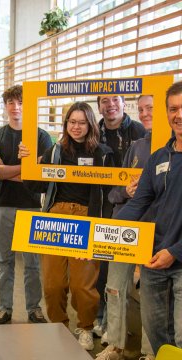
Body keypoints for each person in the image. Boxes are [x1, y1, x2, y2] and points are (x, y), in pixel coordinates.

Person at [19, 102, 114, 351]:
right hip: (55, 217)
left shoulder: (103, 153)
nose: (76, 127)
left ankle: (84, 326)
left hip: (86, 218)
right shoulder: (55, 151)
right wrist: (29, 164)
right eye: (72, 122)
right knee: (52, 284)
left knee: (82, 285)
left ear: (90, 124)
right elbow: (37, 186)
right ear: (66, 124)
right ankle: (58, 326)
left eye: (82, 122)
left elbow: (111, 191)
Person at [115, 81, 182, 354]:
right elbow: (137, 204)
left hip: (179, 260)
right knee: (158, 339)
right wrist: (93, 240)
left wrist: (175, 251)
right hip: (152, 260)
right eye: (173, 109)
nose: (179, 115)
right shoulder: (158, 158)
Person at [96, 95, 155, 360]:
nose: (144, 114)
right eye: (141, 109)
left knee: (152, 295)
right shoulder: (138, 147)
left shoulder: (170, 150)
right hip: (124, 225)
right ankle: (116, 345)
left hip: (156, 230)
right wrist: (127, 191)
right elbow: (114, 190)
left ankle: (149, 351)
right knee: (115, 287)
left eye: (150, 108)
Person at [0, 85, 52, 325]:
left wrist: (8, 171)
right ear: (6, 106)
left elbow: (40, 174)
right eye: (11, 103)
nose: (16, 108)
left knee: (32, 263)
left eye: (21, 103)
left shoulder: (41, 136)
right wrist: (26, 168)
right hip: (3, 205)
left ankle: (34, 308)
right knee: (5, 261)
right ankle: (5, 308)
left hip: (31, 205)